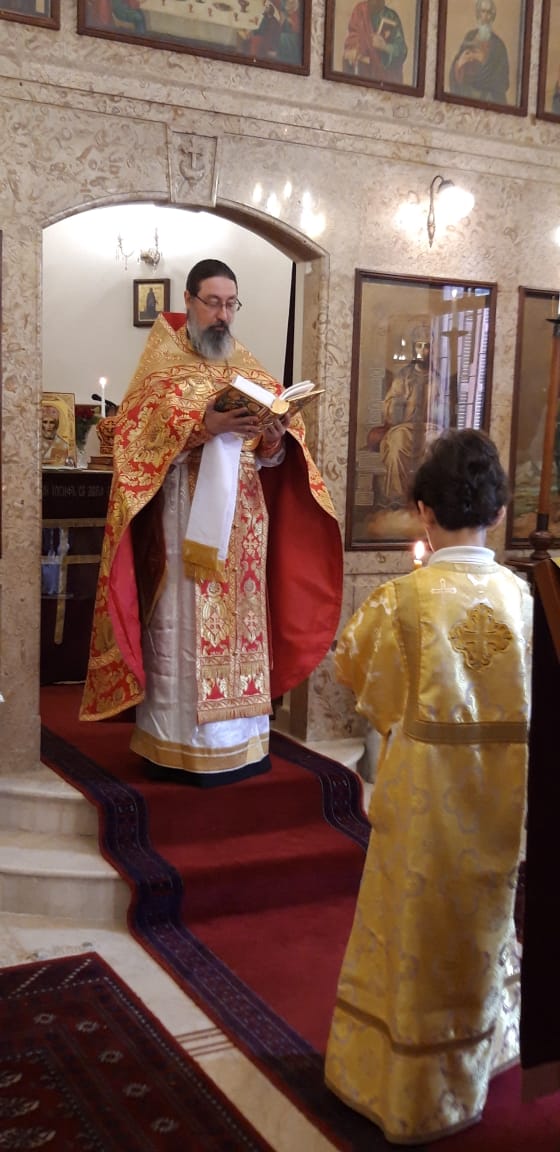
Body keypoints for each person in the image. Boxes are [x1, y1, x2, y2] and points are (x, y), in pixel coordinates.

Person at [324, 428, 532, 1143]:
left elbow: (363, 682)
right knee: (483, 925)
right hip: (502, 802)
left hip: (422, 807)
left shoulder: (402, 602)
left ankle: (411, 1085)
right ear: (497, 512)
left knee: (413, 930)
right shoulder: (526, 601)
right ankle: (483, 1051)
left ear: (422, 511)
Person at [80, 258, 343, 787]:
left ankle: (242, 742)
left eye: (231, 304)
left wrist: (274, 437)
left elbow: (272, 455)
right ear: (189, 301)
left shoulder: (246, 366)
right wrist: (203, 425)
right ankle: (177, 745)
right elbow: (134, 436)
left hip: (244, 527)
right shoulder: (161, 367)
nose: (223, 315)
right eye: (213, 303)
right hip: (185, 525)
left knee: (243, 628)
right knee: (182, 627)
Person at [370, 323, 442, 508]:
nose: (423, 351)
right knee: (396, 443)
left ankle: (428, 500)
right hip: (403, 427)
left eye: (426, 346)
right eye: (419, 346)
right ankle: (396, 498)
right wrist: (398, 404)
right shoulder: (403, 376)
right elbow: (389, 405)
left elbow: (442, 410)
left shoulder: (436, 378)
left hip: (429, 427)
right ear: (413, 348)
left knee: (435, 444)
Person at [448, 0, 509, 106]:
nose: (485, 17)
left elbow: (503, 81)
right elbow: (456, 68)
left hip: (489, 100)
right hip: (466, 95)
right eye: (483, 11)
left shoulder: (499, 45)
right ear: (478, 13)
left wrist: (483, 61)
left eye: (489, 13)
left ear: (492, 16)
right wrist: (459, 64)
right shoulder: (470, 36)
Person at [341, 0, 407, 85]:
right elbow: (352, 37)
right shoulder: (360, 11)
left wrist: (384, 47)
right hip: (363, 74)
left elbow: (402, 50)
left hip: (384, 80)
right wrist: (355, 48)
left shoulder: (392, 16)